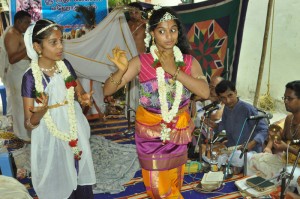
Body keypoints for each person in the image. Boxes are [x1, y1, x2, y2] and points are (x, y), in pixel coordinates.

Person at [103, 6, 209, 198]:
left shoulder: (188, 61)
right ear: (152, 33)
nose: (168, 36)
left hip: (178, 132)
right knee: (158, 190)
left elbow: (204, 91)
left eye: (173, 30)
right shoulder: (141, 61)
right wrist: (120, 70)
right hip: (150, 135)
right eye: (162, 31)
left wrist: (174, 71)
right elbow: (108, 90)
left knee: (174, 183)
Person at [22, 19, 96, 199]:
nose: (60, 46)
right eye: (53, 42)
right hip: (50, 133)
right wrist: (41, 112)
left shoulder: (65, 66)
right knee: (59, 176)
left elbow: (80, 94)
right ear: (37, 47)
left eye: (61, 41)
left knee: (79, 171)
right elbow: (29, 123)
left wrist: (85, 99)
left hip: (73, 126)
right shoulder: (30, 77)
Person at [249, 80, 300, 180]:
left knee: (288, 174)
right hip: (285, 161)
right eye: (284, 97)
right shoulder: (289, 118)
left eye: (289, 98)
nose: (285, 101)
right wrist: (276, 137)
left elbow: (287, 147)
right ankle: (260, 190)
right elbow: (284, 140)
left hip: (296, 167)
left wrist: (287, 148)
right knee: (253, 159)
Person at [215, 80, 268, 153]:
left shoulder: (248, 109)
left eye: (230, 95)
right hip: (233, 150)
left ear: (235, 92)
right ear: (219, 98)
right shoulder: (227, 108)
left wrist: (251, 144)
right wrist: (215, 125)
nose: (228, 100)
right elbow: (225, 125)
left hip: (250, 152)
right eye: (223, 98)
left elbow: (264, 130)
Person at [4, 10, 31, 141]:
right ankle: (22, 135)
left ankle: (26, 133)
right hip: (17, 73)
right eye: (26, 23)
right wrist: (28, 48)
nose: (27, 26)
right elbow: (12, 59)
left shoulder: (19, 33)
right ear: (18, 21)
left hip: (23, 72)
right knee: (20, 105)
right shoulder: (11, 35)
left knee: (25, 104)